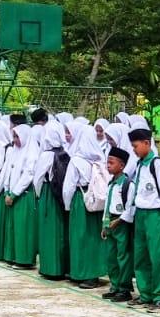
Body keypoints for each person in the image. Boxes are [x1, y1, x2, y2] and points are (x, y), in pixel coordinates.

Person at [124, 127, 160, 311]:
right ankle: (145, 294)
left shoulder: (156, 164)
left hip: (155, 214)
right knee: (141, 256)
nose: (134, 150)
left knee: (158, 256)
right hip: (140, 214)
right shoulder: (140, 164)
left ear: (147, 143)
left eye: (136, 146)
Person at [64, 123, 108, 288]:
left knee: (79, 238)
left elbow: (68, 187)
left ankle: (82, 273)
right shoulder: (100, 158)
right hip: (97, 201)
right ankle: (95, 273)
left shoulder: (76, 160)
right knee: (95, 238)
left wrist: (67, 206)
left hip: (80, 200)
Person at [36, 120, 73, 281]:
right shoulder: (65, 152)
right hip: (60, 196)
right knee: (61, 232)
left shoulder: (46, 155)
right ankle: (63, 267)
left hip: (48, 195)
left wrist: (39, 195)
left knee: (49, 233)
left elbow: (38, 179)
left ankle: (51, 268)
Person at [2, 122, 40, 268]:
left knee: (23, 229)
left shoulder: (31, 153)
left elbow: (28, 175)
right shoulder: (15, 151)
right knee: (13, 227)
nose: (15, 140)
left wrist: (14, 193)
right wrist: (7, 190)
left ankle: (24, 260)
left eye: (17, 137)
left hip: (24, 195)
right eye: (14, 137)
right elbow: (9, 170)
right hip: (12, 195)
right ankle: (13, 256)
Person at [102, 146, 136, 303]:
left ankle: (124, 288)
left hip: (121, 223)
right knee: (111, 256)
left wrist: (119, 220)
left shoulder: (128, 184)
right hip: (110, 223)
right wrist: (104, 224)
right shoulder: (111, 184)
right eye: (107, 162)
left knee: (123, 256)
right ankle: (115, 286)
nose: (108, 166)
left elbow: (130, 207)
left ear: (122, 165)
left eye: (111, 163)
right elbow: (107, 205)